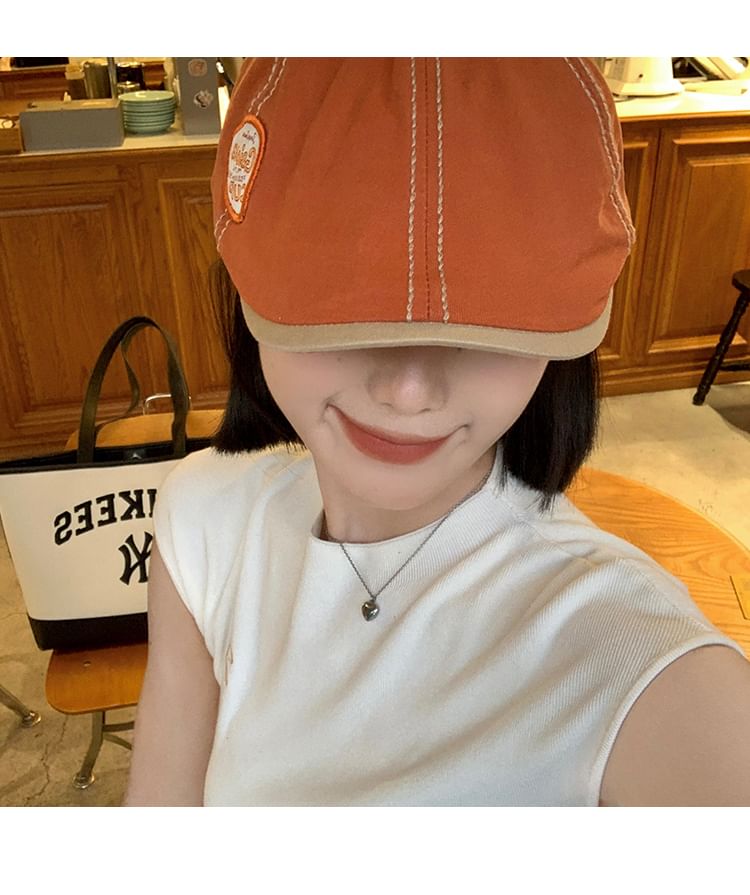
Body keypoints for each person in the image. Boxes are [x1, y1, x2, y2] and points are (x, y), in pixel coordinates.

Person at [125, 58, 750, 807]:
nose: (408, 391)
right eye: (345, 311)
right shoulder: (203, 516)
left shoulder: (629, 652)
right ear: (245, 289)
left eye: (488, 325)